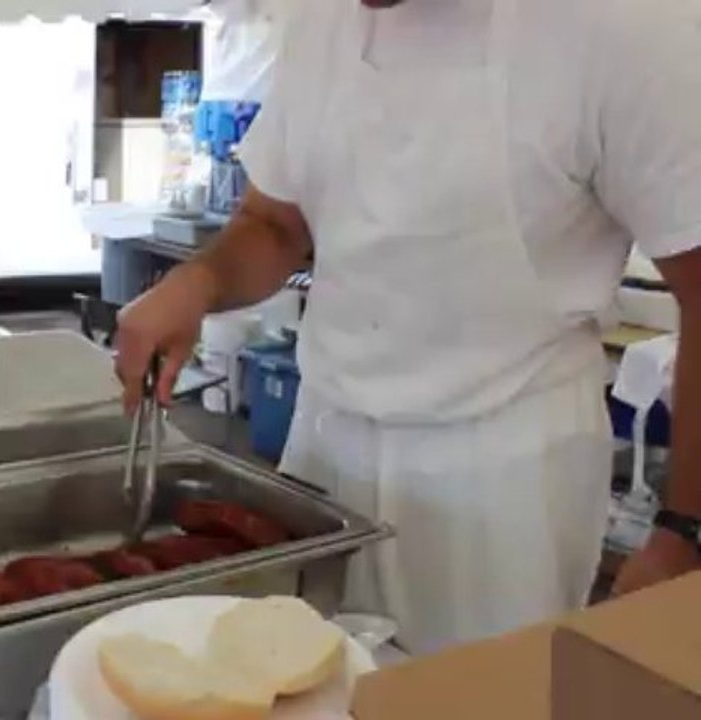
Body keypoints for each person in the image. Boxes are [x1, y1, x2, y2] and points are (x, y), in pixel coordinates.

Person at [117, 0, 701, 654]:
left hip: (500, 480)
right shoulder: (321, 23)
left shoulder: (617, 26)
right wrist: (197, 283)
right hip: (324, 445)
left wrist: (684, 532)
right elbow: (276, 223)